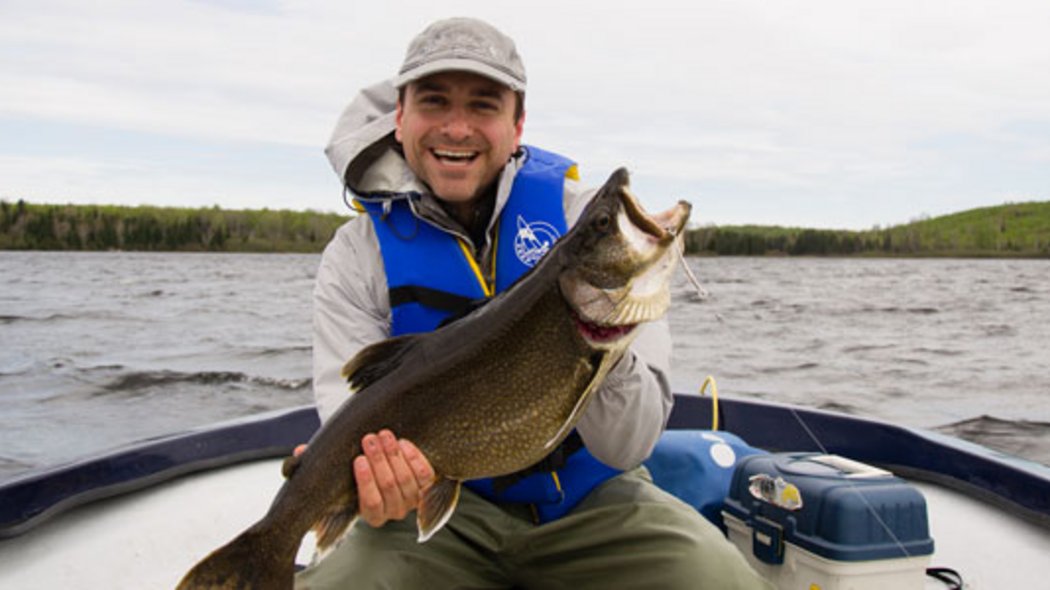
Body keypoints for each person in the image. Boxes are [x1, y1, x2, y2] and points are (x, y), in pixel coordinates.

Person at [299, 16, 770, 590]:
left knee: (722, 580)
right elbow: (344, 415)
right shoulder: (356, 255)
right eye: (434, 102)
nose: (456, 127)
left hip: (592, 499)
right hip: (434, 512)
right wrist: (376, 482)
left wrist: (603, 343)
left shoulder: (580, 222)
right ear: (400, 118)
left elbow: (629, 446)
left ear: (517, 125)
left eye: (483, 106)